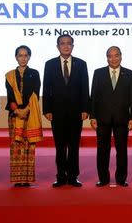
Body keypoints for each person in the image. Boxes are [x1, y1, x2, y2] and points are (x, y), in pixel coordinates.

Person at [43, 34, 89, 187]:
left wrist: (85, 108)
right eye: (62, 43)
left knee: (74, 146)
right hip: (57, 112)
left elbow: (85, 88)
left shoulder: (81, 64)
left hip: (76, 112)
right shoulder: (49, 64)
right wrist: (47, 109)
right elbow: (47, 88)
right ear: (58, 46)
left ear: (73, 46)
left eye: (69, 43)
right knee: (60, 146)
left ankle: (73, 176)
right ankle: (61, 176)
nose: (66, 46)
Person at [90, 46, 132, 187]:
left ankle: (121, 178)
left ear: (121, 56)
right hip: (102, 118)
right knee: (102, 151)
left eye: (116, 55)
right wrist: (93, 116)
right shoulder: (98, 73)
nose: (113, 58)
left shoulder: (129, 74)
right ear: (107, 58)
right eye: (110, 56)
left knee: (122, 151)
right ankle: (103, 179)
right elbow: (94, 96)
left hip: (122, 118)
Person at [5, 45, 43, 187]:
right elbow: (10, 97)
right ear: (16, 57)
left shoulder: (34, 73)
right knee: (16, 147)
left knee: (28, 147)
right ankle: (17, 179)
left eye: (26, 55)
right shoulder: (9, 75)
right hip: (15, 116)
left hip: (30, 114)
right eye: (20, 55)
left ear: (29, 57)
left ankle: (26, 179)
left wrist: (26, 110)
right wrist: (17, 111)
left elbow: (35, 94)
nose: (23, 58)